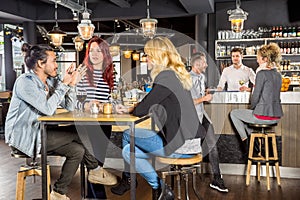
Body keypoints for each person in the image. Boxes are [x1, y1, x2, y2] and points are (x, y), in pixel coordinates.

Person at [5, 43, 115, 200]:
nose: (57, 65)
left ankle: (58, 193)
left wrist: (71, 85)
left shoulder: (49, 82)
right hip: (26, 138)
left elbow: (69, 106)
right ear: (40, 64)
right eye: (54, 60)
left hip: (42, 134)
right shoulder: (25, 82)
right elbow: (47, 109)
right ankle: (95, 169)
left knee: (77, 151)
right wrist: (63, 85)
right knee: (80, 131)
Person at [111, 36, 206, 199]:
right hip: (191, 141)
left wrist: (132, 108)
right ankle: (151, 186)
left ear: (157, 56)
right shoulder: (174, 75)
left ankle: (150, 186)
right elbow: (147, 105)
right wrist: (131, 108)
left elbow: (142, 109)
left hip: (182, 145)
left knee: (127, 135)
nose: (145, 58)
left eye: (148, 55)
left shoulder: (166, 77)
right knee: (128, 152)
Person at [75, 36, 118, 198]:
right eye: (91, 50)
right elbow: (73, 99)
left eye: (98, 50)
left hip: (104, 123)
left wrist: (107, 105)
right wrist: (85, 105)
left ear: (104, 53)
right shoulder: (83, 72)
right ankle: (97, 197)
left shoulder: (110, 74)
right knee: (94, 165)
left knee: (98, 163)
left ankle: (91, 196)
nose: (94, 53)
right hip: (86, 123)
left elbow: (113, 99)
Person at [230, 43, 283, 148]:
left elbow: (255, 97)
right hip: (276, 116)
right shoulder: (278, 74)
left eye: (258, 58)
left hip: (263, 116)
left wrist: (253, 108)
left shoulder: (261, 73)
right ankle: (253, 142)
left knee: (234, 114)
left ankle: (247, 143)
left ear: (264, 59)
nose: (257, 61)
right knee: (247, 117)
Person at [189, 52, 228, 192]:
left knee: (212, 144)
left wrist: (205, 94)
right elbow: (186, 103)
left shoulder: (201, 76)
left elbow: (198, 97)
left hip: (202, 116)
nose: (206, 64)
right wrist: (204, 99)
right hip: (191, 118)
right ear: (197, 64)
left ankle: (217, 178)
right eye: (204, 62)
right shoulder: (187, 79)